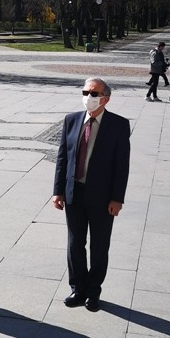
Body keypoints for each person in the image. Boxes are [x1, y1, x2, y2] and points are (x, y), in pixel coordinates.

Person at [52, 77, 130, 312]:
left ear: (105, 99)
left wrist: (117, 198)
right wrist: (58, 191)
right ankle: (78, 288)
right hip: (74, 193)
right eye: (85, 92)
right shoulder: (71, 120)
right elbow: (63, 157)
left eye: (94, 94)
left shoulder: (118, 125)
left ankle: (93, 291)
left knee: (99, 246)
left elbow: (121, 165)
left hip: (103, 198)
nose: (88, 97)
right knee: (75, 243)